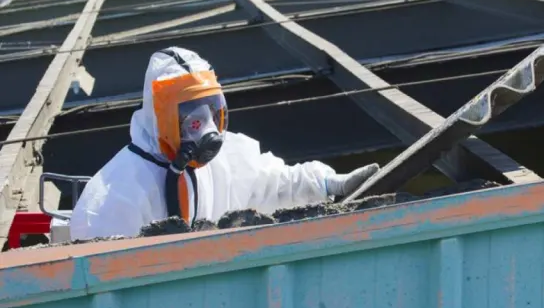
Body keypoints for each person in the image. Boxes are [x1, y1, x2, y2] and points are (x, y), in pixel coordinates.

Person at [69, 47, 379, 239]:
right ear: (159, 116)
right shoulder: (116, 194)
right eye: (191, 117)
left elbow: (276, 184)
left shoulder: (229, 157)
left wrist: (328, 184)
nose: (205, 127)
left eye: (210, 111)